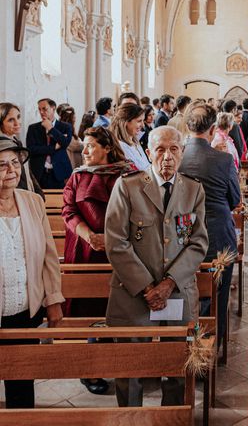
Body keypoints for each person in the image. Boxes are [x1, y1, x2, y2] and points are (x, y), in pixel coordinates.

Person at [104, 126, 207, 407]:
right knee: (130, 369)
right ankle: (130, 420)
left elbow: (197, 242)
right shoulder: (128, 186)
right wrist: (149, 287)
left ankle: (172, 418)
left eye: (174, 149)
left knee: (176, 366)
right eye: (160, 149)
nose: (167, 157)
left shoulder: (193, 189)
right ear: (148, 153)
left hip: (177, 292)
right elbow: (116, 242)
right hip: (134, 293)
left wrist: (168, 283)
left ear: (182, 153)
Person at [62, 127, 133, 395]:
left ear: (106, 148)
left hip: (120, 250)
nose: (86, 151)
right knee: (91, 310)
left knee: (118, 307)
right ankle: (91, 368)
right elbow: (68, 210)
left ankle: (122, 362)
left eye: (91, 146)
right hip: (86, 250)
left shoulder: (126, 175)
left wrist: (111, 238)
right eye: (84, 146)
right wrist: (90, 235)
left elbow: (137, 210)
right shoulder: (77, 177)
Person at [0, 137, 64, 408]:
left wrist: (53, 300)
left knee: (22, 381)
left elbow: (49, 256)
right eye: (1, 165)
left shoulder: (32, 201)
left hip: (24, 310)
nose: (11, 171)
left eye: (15, 163)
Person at [179, 104, 240, 346]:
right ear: (213, 128)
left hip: (184, 233)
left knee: (185, 290)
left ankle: (185, 343)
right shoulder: (223, 160)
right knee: (218, 293)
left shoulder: (178, 156)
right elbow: (234, 199)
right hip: (218, 234)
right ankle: (212, 346)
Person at [26, 98, 73, 188]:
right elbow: (31, 150)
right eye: (39, 109)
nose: (41, 112)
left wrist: (51, 129)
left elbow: (65, 143)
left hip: (59, 172)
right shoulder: (33, 128)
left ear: (53, 108)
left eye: (44, 109)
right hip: (39, 171)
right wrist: (53, 148)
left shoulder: (65, 127)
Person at [0, 102, 42, 196]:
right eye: (11, 120)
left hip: (28, 193)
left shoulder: (15, 140)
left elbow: (26, 170)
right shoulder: (4, 146)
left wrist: (37, 191)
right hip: (15, 195)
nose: (17, 123)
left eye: (18, 117)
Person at [109, 102, 150, 171]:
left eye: (143, 121)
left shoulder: (135, 142)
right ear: (126, 122)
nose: (143, 125)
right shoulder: (120, 146)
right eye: (139, 121)